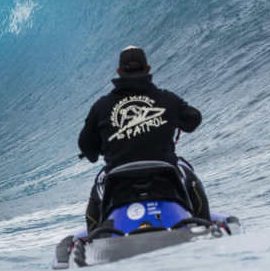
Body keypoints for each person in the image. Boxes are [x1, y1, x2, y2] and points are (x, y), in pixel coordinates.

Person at [78, 46, 210, 233]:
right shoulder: (167, 100)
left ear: (119, 72)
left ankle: (96, 240)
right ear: (148, 69)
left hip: (118, 184)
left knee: (96, 190)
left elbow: (88, 150)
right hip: (166, 177)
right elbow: (193, 121)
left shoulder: (101, 107)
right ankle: (204, 230)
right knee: (191, 177)